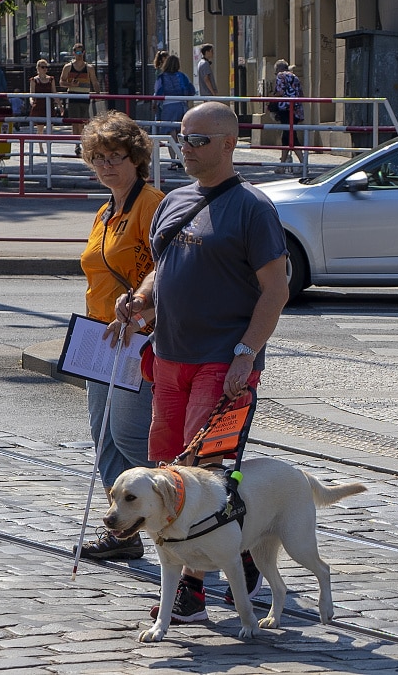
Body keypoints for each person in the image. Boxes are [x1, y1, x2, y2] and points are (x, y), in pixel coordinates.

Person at [115, 101, 290, 623]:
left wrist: (245, 353)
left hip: (222, 362)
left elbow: (275, 289)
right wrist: (140, 300)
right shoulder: (173, 202)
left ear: (229, 144)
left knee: (201, 472)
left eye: (198, 141)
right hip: (168, 357)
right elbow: (162, 270)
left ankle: (191, 589)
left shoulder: (253, 209)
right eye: (181, 139)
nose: (186, 150)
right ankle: (234, 552)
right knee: (164, 469)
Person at [74, 110, 164, 560]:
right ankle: (122, 533)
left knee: (132, 437)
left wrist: (139, 308)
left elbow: (165, 268)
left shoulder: (152, 203)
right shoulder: (105, 210)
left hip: (136, 335)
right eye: (99, 157)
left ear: (136, 158)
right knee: (104, 435)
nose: (107, 165)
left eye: (116, 156)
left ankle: (174, 524)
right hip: (97, 336)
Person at [153, 54, 196, 170]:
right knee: (181, 133)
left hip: (168, 106)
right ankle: (181, 159)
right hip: (182, 106)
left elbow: (158, 92)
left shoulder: (161, 77)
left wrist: (154, 105)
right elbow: (192, 90)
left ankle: (173, 160)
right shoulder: (183, 76)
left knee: (171, 134)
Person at [60, 43, 101, 155]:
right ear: (73, 53)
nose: (79, 54)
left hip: (85, 97)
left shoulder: (89, 68)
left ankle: (83, 143)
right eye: (76, 52)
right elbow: (61, 82)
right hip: (73, 96)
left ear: (84, 53)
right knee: (75, 122)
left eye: (80, 52)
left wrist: (98, 94)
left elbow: (95, 81)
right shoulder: (68, 67)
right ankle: (77, 145)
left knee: (83, 122)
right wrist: (70, 83)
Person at [271, 59, 304, 173]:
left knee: (291, 137)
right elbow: (301, 94)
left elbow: (280, 92)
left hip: (286, 109)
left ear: (279, 70)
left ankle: (303, 163)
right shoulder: (295, 77)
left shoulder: (281, 76)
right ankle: (282, 165)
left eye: (275, 72)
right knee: (287, 136)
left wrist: (271, 97)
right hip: (296, 110)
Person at [29, 58, 56, 154]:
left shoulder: (51, 79)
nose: (45, 69)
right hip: (39, 106)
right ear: (38, 68)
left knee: (50, 129)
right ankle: (40, 147)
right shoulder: (34, 80)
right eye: (43, 67)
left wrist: (60, 106)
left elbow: (54, 93)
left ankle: (49, 147)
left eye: (46, 67)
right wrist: (32, 101)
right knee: (40, 129)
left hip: (49, 106)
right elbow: (31, 94)